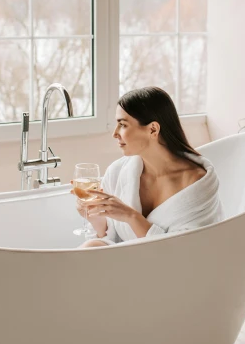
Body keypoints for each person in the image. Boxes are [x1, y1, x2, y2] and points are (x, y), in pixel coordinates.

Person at [74, 86, 225, 248]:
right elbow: (113, 239)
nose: (115, 133)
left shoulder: (196, 183)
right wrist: (96, 219)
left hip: (174, 268)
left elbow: (186, 251)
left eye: (123, 125)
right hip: (130, 261)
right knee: (89, 247)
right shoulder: (117, 172)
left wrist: (131, 216)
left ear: (153, 129)